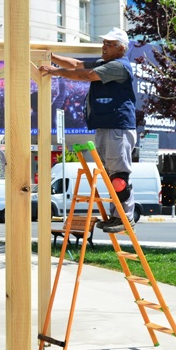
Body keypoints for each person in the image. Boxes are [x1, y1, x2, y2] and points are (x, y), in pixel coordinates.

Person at [38, 27, 136, 234]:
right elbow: (76, 64)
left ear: (121, 49)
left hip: (118, 126)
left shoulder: (119, 66)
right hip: (105, 125)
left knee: (119, 177)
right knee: (111, 176)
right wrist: (52, 57)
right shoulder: (106, 63)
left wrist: (56, 72)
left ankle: (125, 218)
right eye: (104, 43)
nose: (104, 47)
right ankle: (115, 216)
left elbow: (87, 75)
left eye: (109, 44)